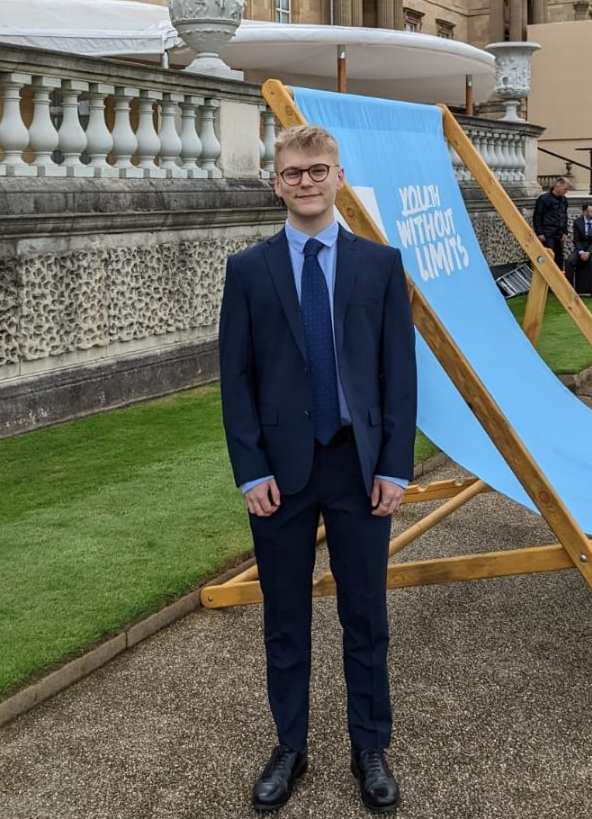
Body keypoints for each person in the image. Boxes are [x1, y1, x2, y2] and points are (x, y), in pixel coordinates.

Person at [218, 124, 417, 814]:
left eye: (317, 170)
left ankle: (371, 747)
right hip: (280, 474)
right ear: (276, 183)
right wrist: (250, 471)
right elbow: (236, 379)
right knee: (285, 618)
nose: (305, 182)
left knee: (366, 615)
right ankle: (290, 747)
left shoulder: (380, 266)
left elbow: (399, 376)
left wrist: (395, 467)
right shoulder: (248, 270)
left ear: (338, 177)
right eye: (293, 173)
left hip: (360, 468)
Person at [565, 203, 592, 296]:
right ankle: (569, 289)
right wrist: (581, 252)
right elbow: (577, 240)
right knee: (569, 261)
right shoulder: (577, 222)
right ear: (585, 212)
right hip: (581, 248)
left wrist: (589, 252)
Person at [532, 176, 570, 270]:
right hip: (547, 234)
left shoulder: (564, 200)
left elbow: (564, 216)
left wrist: (565, 232)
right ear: (558, 187)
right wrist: (539, 233)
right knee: (548, 257)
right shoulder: (544, 199)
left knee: (559, 258)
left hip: (558, 234)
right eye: (565, 189)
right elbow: (537, 216)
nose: (566, 191)